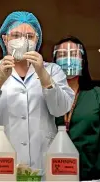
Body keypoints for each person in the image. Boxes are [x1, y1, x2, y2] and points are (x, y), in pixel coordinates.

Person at [0, 11, 75, 180]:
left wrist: (44, 75)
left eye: (30, 36)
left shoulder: (53, 70)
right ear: (5, 39)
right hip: (0, 166)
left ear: (37, 40)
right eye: (16, 35)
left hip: (42, 166)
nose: (23, 41)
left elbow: (61, 109)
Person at [53, 36, 100, 180]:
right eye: (61, 55)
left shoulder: (96, 95)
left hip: (91, 174)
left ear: (83, 60)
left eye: (73, 54)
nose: (67, 58)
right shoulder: (46, 96)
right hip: (54, 172)